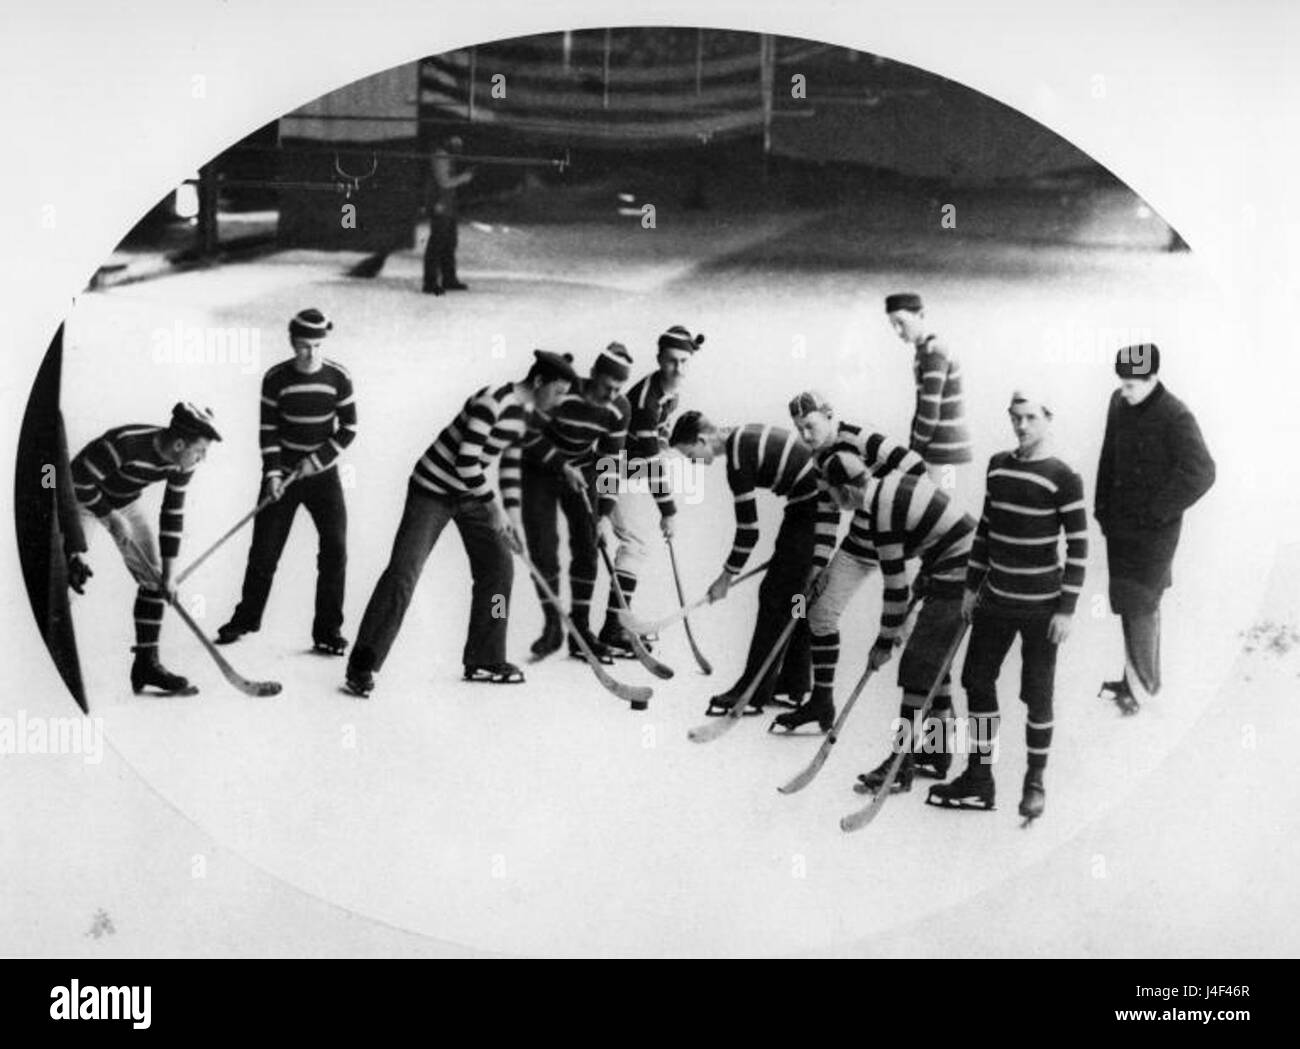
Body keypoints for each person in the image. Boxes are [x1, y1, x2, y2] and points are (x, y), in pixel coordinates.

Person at [344, 351, 577, 697]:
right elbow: (466, 460)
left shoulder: (525, 413)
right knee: (403, 571)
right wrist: (495, 509)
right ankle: (362, 665)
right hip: (432, 490)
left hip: (471, 493)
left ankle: (486, 657)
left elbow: (520, 453)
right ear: (539, 381)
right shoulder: (492, 402)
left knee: (499, 570)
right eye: (558, 392)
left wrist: (552, 479)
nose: (559, 401)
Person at [927, 389, 1088, 821]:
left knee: (1037, 695)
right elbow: (985, 531)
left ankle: (1035, 783)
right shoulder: (998, 466)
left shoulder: (1064, 477)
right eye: (1016, 417)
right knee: (976, 680)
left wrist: (1067, 609)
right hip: (995, 601)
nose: (1021, 426)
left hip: (1042, 608)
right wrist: (969, 586)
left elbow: (1079, 547)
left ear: (1048, 418)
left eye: (1031, 417)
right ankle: (980, 778)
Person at [817, 448, 975, 795]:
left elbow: (895, 590)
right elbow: (930, 534)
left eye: (830, 493)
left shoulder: (880, 514)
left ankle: (899, 762)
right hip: (951, 564)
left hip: (963, 571)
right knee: (934, 663)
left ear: (845, 491)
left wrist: (884, 643)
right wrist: (927, 576)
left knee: (918, 664)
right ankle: (935, 752)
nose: (832, 501)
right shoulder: (887, 485)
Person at [771, 390, 927, 733]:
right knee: (818, 612)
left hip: (900, 543)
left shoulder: (859, 436)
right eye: (799, 429)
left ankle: (930, 745)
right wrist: (818, 568)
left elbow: (917, 467)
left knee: (918, 639)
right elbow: (828, 517)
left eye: (810, 426)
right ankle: (821, 703)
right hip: (860, 544)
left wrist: (889, 511)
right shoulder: (817, 461)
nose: (806, 436)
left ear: (828, 414)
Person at [670, 413, 839, 717]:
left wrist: (725, 578)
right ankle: (792, 685)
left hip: (812, 512)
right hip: (811, 509)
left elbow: (749, 531)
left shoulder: (736, 458)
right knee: (797, 599)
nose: (694, 461)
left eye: (691, 454)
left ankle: (752, 691)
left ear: (702, 440)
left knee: (774, 598)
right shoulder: (741, 434)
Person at [217, 308, 357, 654]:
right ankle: (246, 618)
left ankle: (327, 632)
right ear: (292, 342)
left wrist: (319, 459)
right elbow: (269, 431)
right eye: (304, 346)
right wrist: (273, 474)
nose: (311, 354)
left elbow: (349, 428)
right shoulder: (275, 379)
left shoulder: (339, 377)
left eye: (318, 345)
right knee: (264, 552)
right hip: (283, 475)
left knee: (335, 550)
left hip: (323, 477)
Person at [1094, 344, 1215, 713]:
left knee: (1143, 602)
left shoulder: (1175, 415)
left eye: (1132, 384)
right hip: (1120, 527)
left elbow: (1202, 471)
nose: (1125, 391)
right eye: (1123, 383)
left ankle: (1144, 688)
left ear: (1152, 379)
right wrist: (1101, 507)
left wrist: (1157, 510)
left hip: (1153, 534)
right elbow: (1108, 454)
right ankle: (1132, 679)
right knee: (1126, 601)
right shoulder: (1119, 402)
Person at [70, 402, 221, 695]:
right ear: (179, 444)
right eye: (200, 451)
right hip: (82, 498)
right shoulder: (126, 443)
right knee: (66, 576)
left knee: (154, 580)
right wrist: (109, 515)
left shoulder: (181, 462)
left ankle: (146, 665)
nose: (201, 459)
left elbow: (172, 512)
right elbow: (74, 479)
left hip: (122, 501)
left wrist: (169, 574)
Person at [522, 343, 633, 664]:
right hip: (541, 468)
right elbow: (529, 435)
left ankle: (580, 630)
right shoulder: (564, 392)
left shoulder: (619, 408)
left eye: (618, 389)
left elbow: (611, 461)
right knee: (545, 550)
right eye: (606, 386)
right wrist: (560, 466)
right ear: (593, 375)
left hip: (582, 469)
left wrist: (604, 515)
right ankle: (552, 626)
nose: (612, 395)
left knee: (588, 546)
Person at [596, 324, 702, 657]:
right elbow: (652, 461)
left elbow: (657, 446)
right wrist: (668, 512)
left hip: (631, 468)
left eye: (684, 361)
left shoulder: (670, 392)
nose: (678, 368)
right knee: (636, 542)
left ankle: (616, 626)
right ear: (659, 359)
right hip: (610, 470)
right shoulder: (646, 401)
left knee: (636, 541)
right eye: (672, 361)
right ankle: (613, 630)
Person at [885, 292, 972, 496]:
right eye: (893, 325)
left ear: (921, 315)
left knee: (946, 512)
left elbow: (929, 412)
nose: (898, 331)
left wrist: (914, 453)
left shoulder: (933, 353)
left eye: (901, 322)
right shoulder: (925, 351)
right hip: (942, 451)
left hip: (947, 454)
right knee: (939, 514)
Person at [424, 135, 473, 295]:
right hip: (441, 205)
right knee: (438, 243)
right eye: (456, 140)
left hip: (447, 204)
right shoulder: (441, 156)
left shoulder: (447, 155)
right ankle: (430, 282)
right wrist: (463, 178)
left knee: (449, 242)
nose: (459, 144)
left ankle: (448, 278)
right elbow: (444, 182)